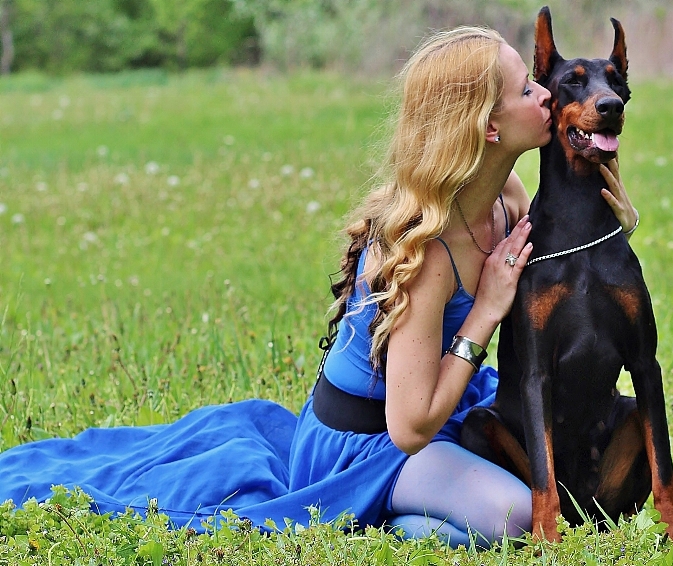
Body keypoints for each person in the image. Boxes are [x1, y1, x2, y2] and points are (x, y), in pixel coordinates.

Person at [0, 26, 638, 548]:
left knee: (559, 469)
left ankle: (434, 499)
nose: (546, 95)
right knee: (514, 516)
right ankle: (395, 524)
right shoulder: (428, 251)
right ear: (488, 128)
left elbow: (566, 264)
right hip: (371, 441)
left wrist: (615, 229)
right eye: (527, 87)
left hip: (454, 406)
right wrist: (486, 312)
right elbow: (410, 428)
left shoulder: (505, 195)